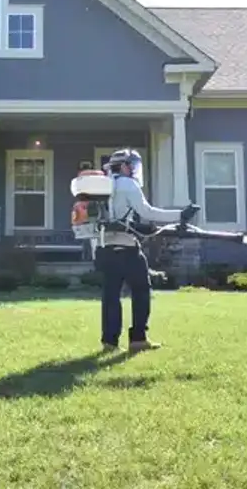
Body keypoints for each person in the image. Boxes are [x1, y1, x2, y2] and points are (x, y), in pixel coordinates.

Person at [97, 148, 199, 352]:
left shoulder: (104, 185)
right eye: (132, 165)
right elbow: (147, 212)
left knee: (111, 296)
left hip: (105, 248)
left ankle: (109, 342)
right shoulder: (128, 184)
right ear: (125, 166)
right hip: (127, 248)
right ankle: (138, 339)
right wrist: (180, 215)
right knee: (142, 290)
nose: (134, 170)